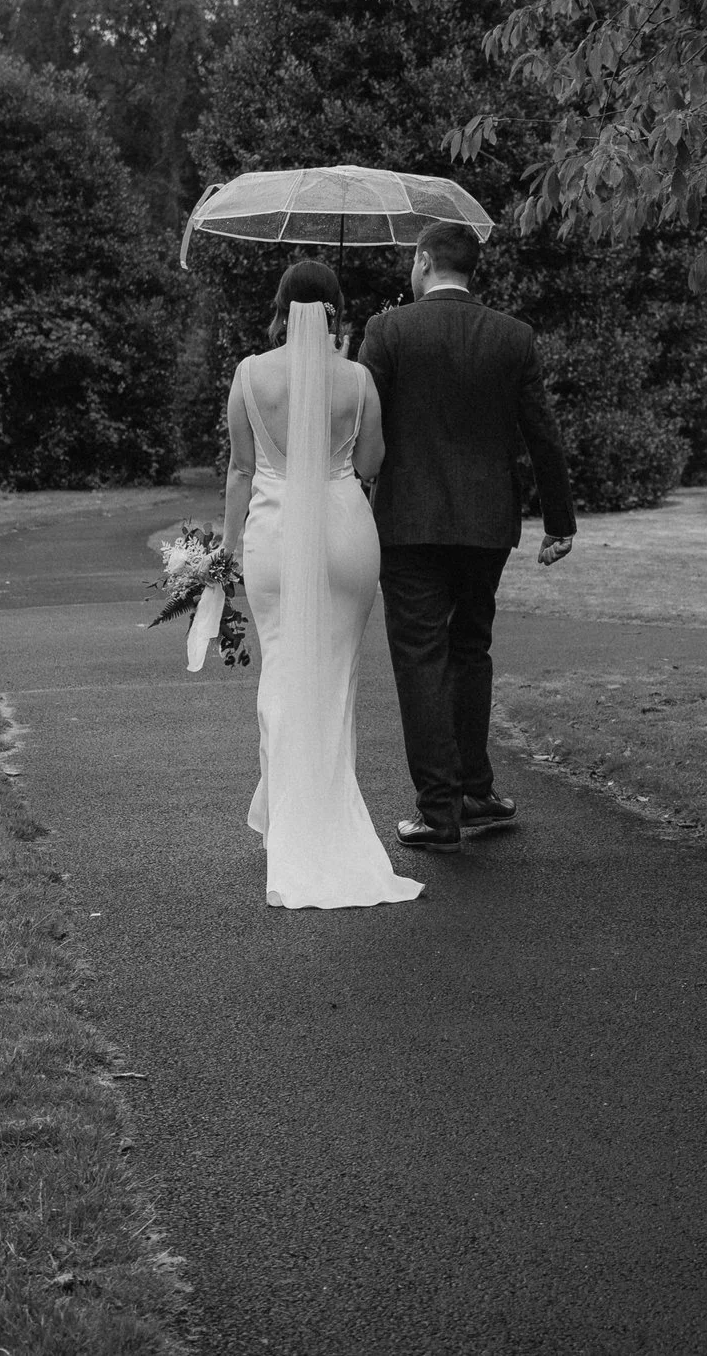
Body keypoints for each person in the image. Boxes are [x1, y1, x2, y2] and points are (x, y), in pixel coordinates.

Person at [359, 220, 576, 853]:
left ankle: (437, 811)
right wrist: (559, 523)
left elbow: (357, 418)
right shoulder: (513, 337)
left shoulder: (389, 331)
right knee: (471, 649)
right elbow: (543, 434)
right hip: (486, 523)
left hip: (408, 524)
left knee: (420, 656)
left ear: (424, 261)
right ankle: (475, 791)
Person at [220, 261, 425, 909]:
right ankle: (325, 822)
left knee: (282, 678)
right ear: (337, 312)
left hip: (276, 538)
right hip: (344, 534)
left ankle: (294, 827)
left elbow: (239, 470)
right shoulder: (358, 379)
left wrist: (223, 557)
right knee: (336, 685)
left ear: (280, 309)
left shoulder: (251, 375)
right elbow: (370, 463)